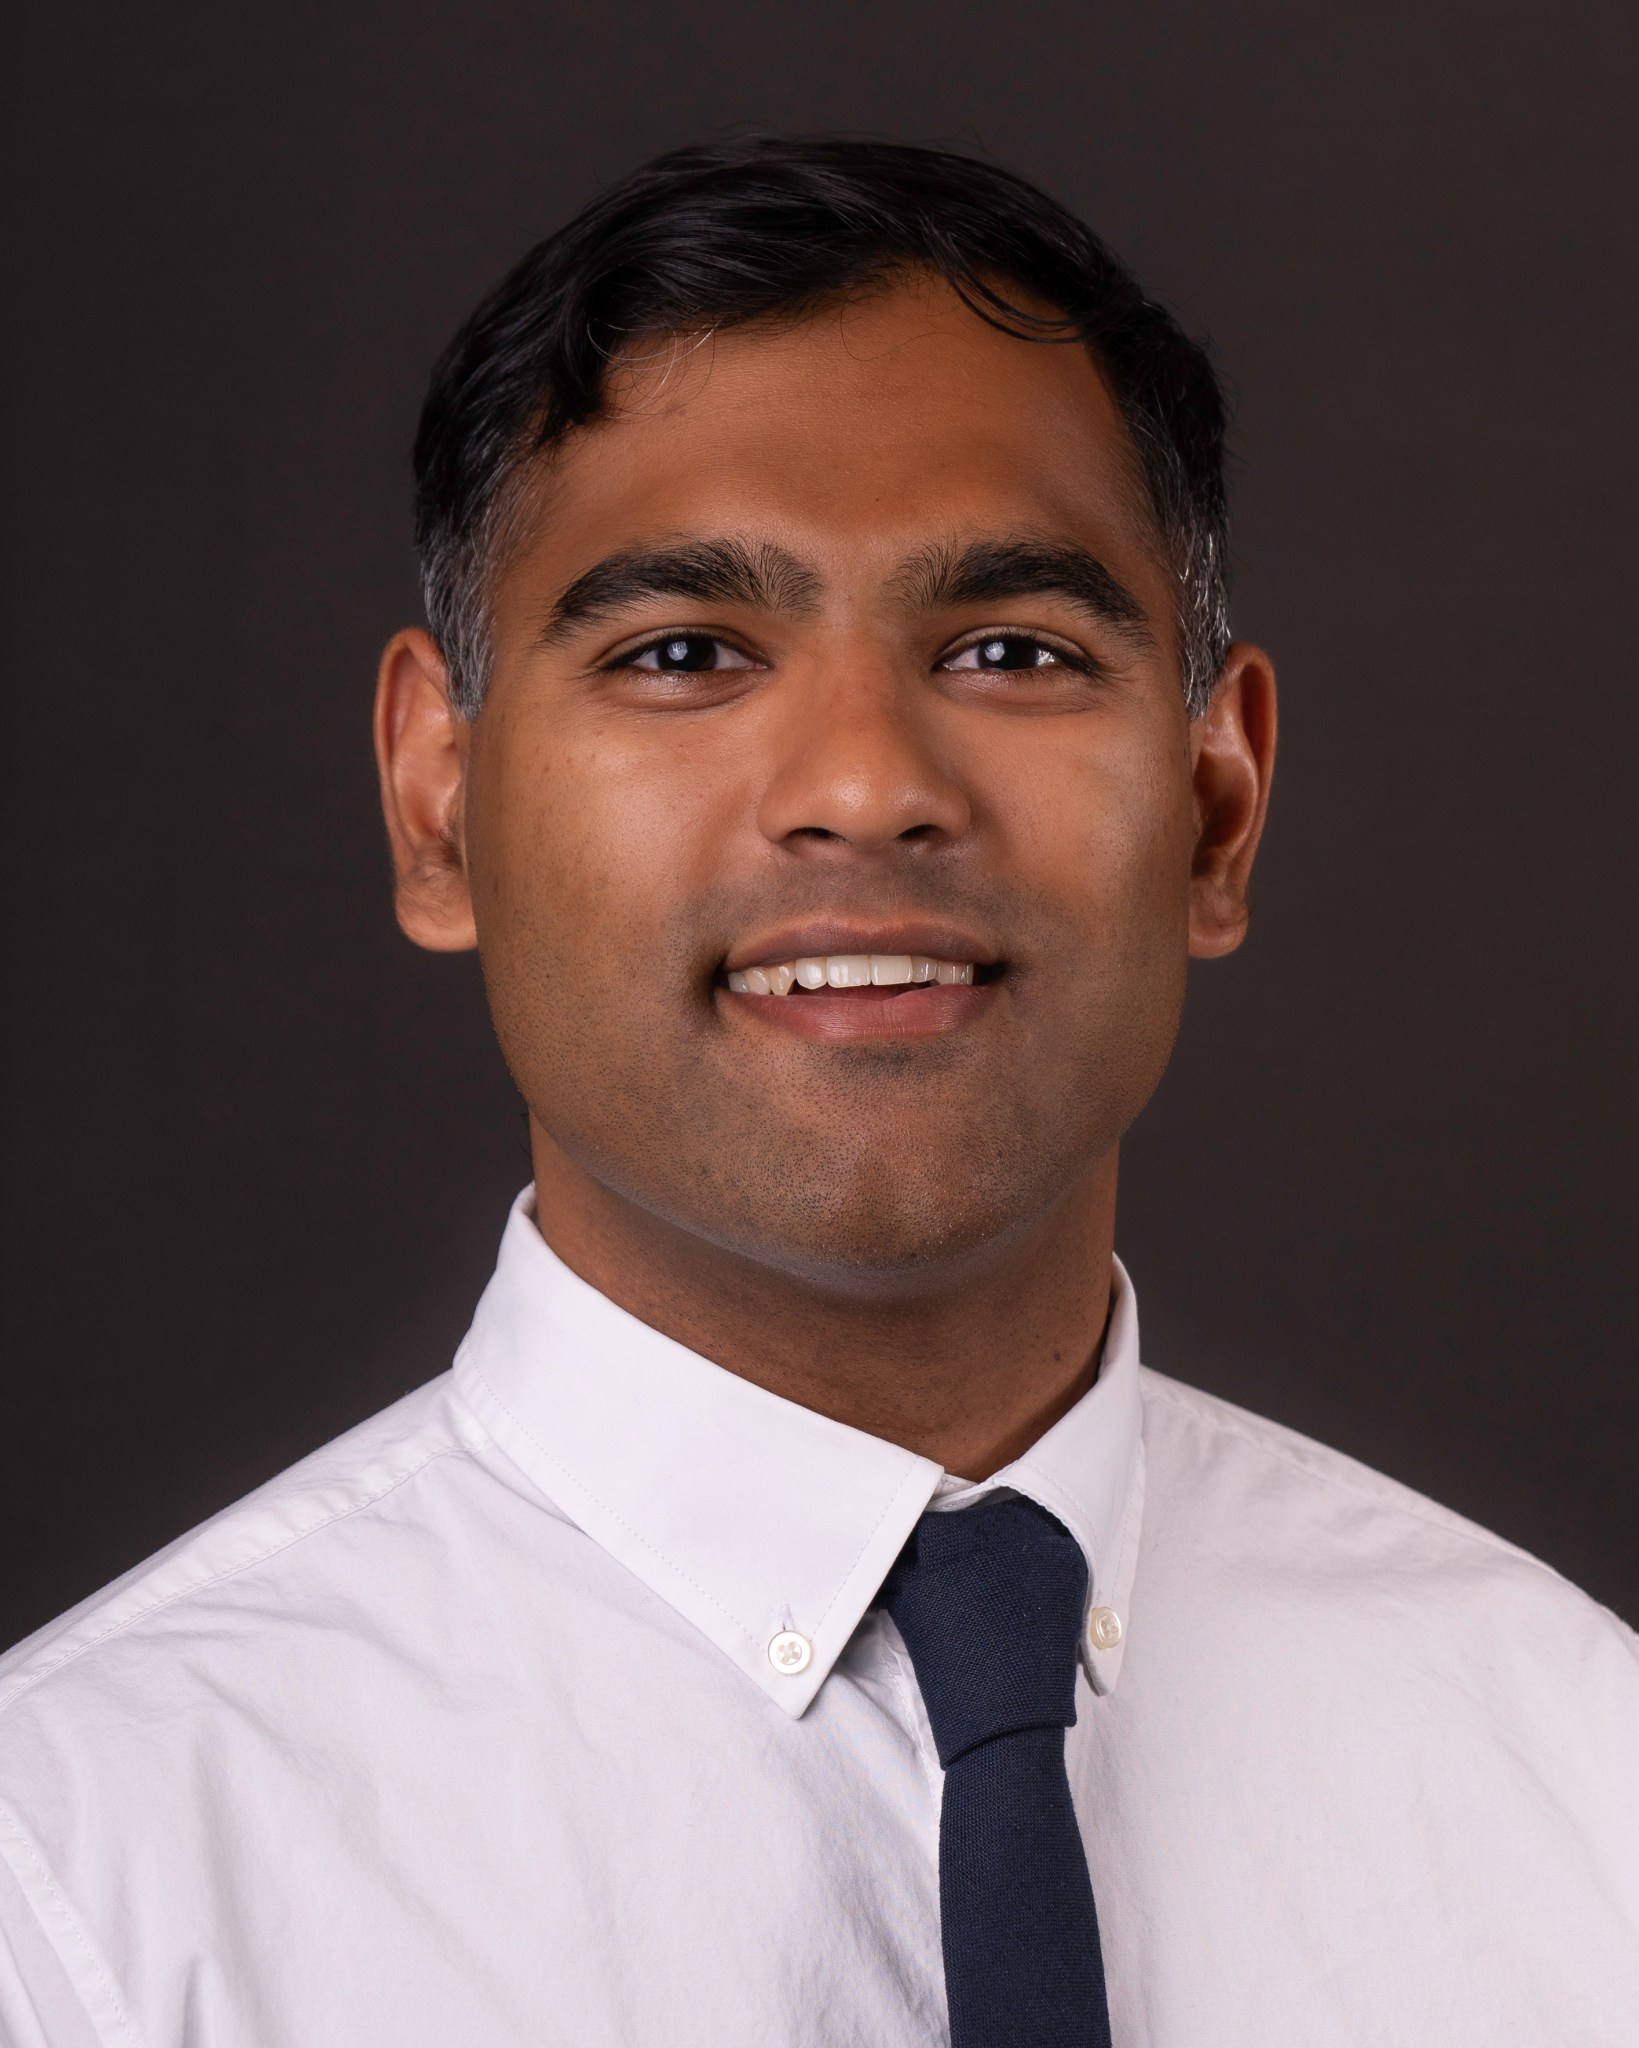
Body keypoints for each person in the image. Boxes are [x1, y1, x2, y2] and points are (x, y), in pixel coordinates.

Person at [0, 136, 1633, 2048]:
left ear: (1217, 807)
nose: (866, 783)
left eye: (1013, 649)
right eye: (684, 653)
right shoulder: (81, 1887)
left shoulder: (1586, 1784)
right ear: (437, 805)